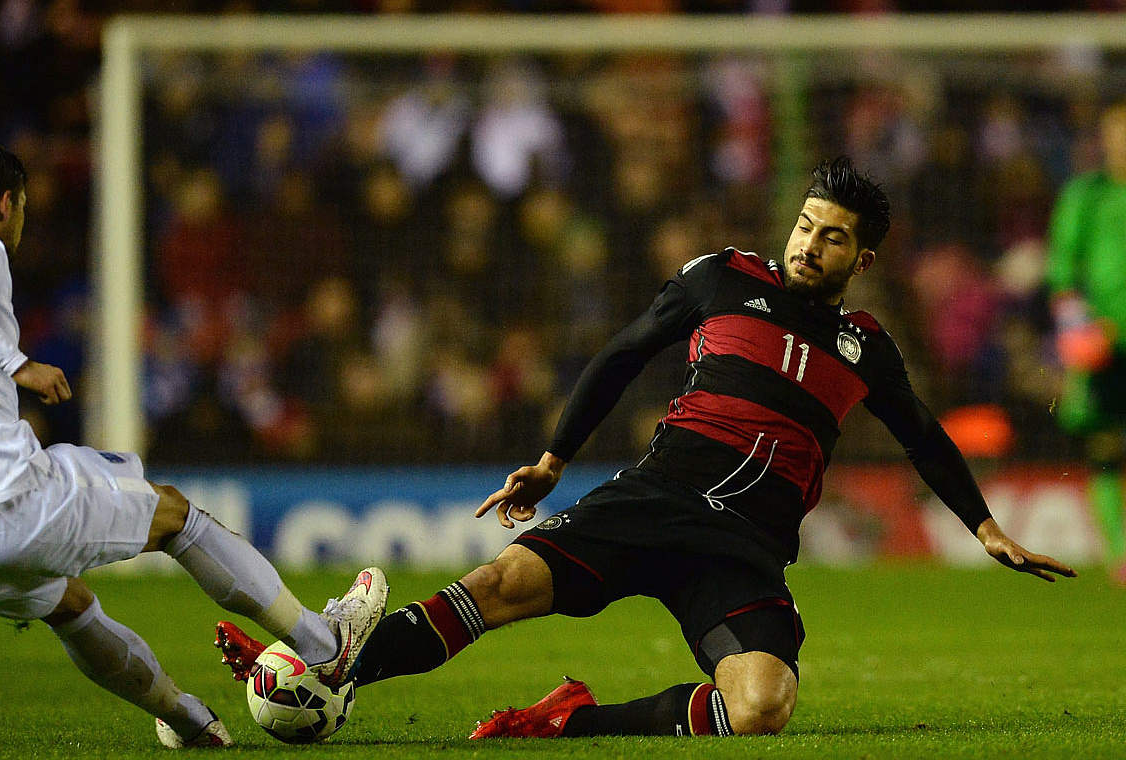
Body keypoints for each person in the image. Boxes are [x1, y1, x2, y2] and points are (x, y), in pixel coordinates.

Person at [214, 157, 1075, 739]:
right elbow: (623, 354)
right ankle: (324, 665)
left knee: (763, 708)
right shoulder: (722, 278)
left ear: (865, 258)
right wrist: (554, 458)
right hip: (653, 498)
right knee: (495, 586)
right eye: (807, 225)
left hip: (743, 548)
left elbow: (924, 437)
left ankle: (568, 720)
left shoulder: (865, 347)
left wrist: (984, 526)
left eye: (834, 237)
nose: (810, 244)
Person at [0, 137, 388, 749]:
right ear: (6, 204)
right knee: (174, 515)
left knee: (67, 603)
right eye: (23, 207)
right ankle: (324, 643)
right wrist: (18, 364)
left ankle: (188, 720)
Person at [1046, 101, 1126, 585]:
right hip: (1102, 345)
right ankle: (1121, 553)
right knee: (1105, 448)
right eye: (1116, 135)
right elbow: (1063, 272)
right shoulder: (1085, 196)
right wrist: (1078, 328)